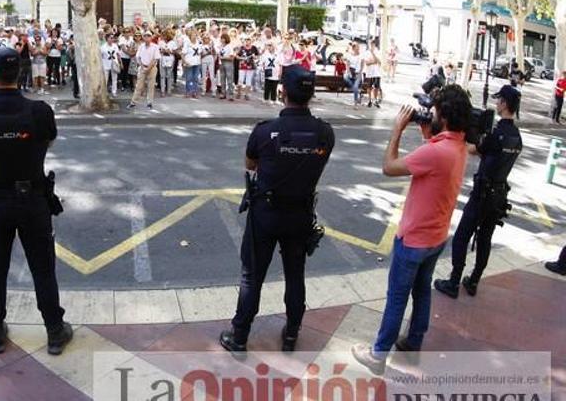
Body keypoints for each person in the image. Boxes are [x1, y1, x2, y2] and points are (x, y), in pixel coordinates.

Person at [352, 85, 472, 375]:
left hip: (414, 239)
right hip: (437, 236)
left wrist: (397, 129)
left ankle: (378, 355)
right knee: (422, 291)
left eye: (433, 110)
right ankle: (414, 339)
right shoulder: (458, 145)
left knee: (397, 297)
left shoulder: (435, 152)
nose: (428, 112)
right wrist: (426, 132)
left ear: (442, 116)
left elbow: (389, 167)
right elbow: (434, 152)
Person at [0, 47, 72, 356]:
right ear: (21, 74)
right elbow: (47, 141)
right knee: (43, 269)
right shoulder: (40, 112)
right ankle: (54, 331)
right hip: (32, 201)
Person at [220, 65, 335, 353]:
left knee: (252, 276)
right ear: (311, 94)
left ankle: (240, 336)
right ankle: (292, 334)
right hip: (300, 216)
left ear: (282, 91)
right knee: (295, 275)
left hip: (266, 215)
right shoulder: (325, 134)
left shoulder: (265, 131)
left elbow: (250, 164)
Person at [435, 85, 522, 299]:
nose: (497, 103)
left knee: (462, 236)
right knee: (485, 239)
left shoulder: (497, 134)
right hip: (500, 195)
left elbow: (473, 149)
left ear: (504, 104)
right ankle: (473, 281)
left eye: (499, 100)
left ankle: (454, 282)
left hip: (483, 193)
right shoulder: (516, 137)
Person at [128, 31, 161, 109]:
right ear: (144, 37)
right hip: (142, 67)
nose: (147, 38)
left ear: (151, 37)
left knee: (151, 86)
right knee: (138, 86)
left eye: (149, 36)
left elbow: (155, 59)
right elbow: (138, 57)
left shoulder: (155, 47)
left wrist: (149, 68)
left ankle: (149, 103)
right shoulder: (141, 46)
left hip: (152, 68)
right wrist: (142, 67)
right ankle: (133, 102)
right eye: (145, 36)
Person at [364, 41, 383, 108]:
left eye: (373, 45)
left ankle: (375, 100)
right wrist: (374, 61)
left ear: (375, 45)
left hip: (377, 72)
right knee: (369, 87)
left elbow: (379, 62)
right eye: (370, 45)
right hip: (369, 73)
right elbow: (367, 63)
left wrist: (373, 54)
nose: (371, 46)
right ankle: (369, 100)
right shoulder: (366, 53)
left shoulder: (378, 52)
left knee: (376, 87)